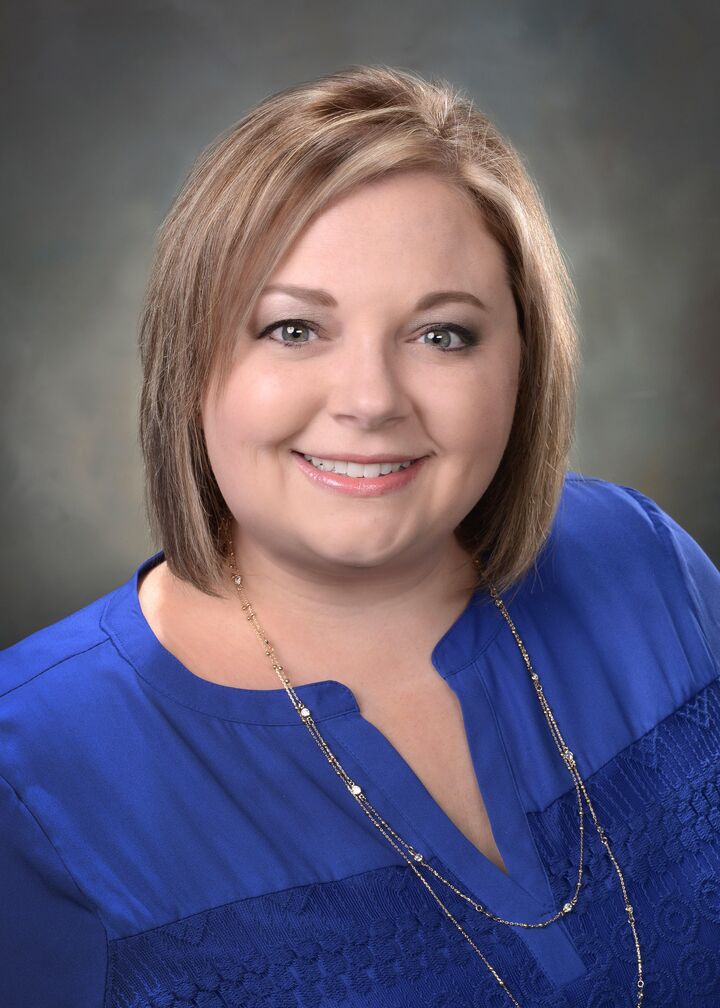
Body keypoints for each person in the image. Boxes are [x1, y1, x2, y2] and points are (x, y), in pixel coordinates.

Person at [1, 64, 718, 1008]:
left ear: (526, 360)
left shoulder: (644, 560)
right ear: (189, 363)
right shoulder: (30, 771)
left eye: (442, 335)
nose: (372, 401)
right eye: (294, 329)